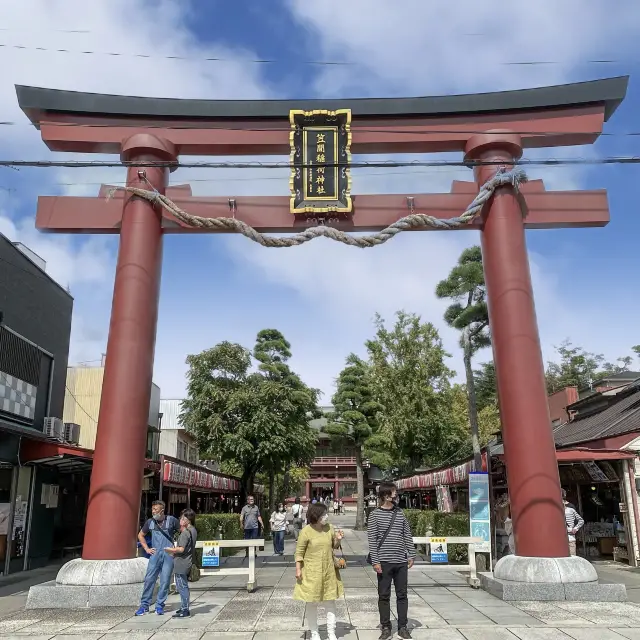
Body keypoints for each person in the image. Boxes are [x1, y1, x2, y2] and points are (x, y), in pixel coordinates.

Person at [368, 482, 416, 640]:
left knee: (402, 595)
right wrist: (375, 561)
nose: (396, 495)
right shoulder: (374, 515)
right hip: (384, 562)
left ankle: (403, 626)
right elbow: (372, 541)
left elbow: (406, 534)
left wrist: (411, 554)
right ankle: (386, 627)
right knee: (384, 596)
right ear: (385, 495)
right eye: (393, 492)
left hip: (400, 561)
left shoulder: (400, 513)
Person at [294, 502, 344, 640]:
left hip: (328, 570)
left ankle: (331, 632)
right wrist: (298, 569)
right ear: (316, 516)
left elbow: (334, 545)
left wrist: (338, 540)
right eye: (324, 514)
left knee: (330, 601)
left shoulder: (330, 528)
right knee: (312, 603)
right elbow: (299, 552)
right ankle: (314, 633)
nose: (327, 516)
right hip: (311, 571)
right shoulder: (306, 531)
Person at [135, 500, 180, 616]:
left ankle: (160, 605)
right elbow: (140, 535)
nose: (153, 511)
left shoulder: (171, 521)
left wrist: (177, 548)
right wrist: (146, 548)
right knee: (149, 579)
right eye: (153, 509)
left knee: (165, 581)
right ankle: (144, 606)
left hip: (168, 554)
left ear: (162, 511)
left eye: (155, 509)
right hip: (155, 554)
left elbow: (182, 531)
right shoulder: (150, 522)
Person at [164, 508, 197, 618]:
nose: (181, 520)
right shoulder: (193, 530)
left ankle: (185, 609)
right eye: (181, 518)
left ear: (188, 520)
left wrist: (170, 550)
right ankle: (183, 606)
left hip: (181, 562)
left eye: (183, 518)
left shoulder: (185, 533)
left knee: (182, 586)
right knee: (184, 586)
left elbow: (181, 549)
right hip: (188, 560)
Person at [562, 489, 585, 556]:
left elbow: (580, 520)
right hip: (562, 538)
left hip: (570, 536)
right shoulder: (556, 511)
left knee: (571, 556)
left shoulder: (570, 509)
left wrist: (575, 528)